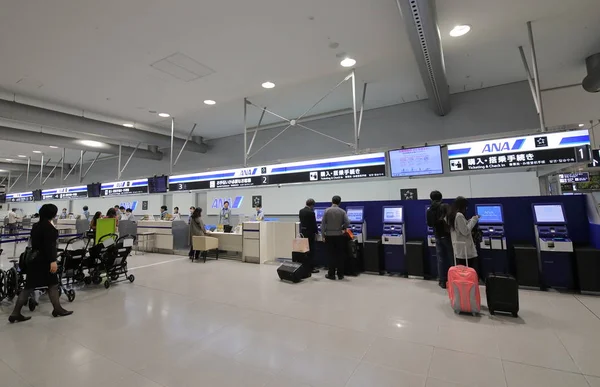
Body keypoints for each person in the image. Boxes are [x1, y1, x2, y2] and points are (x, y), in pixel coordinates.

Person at [8, 204, 73, 323]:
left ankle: (15, 312)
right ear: (52, 214)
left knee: (28, 287)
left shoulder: (36, 226)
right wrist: (53, 261)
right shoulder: (49, 228)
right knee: (53, 284)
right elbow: (50, 247)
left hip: (34, 260)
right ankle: (57, 309)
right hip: (45, 261)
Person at [426, 191, 454, 289]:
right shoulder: (445, 206)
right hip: (447, 235)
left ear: (431, 199)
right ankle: (454, 280)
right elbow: (451, 219)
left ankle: (442, 281)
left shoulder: (429, 210)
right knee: (452, 258)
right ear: (441, 198)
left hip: (437, 235)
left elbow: (429, 224)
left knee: (441, 259)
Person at [448, 196, 480, 274]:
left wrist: (468, 221)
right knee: (467, 271)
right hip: (464, 249)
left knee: (461, 271)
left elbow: (460, 227)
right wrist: (474, 220)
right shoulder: (459, 215)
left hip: (459, 248)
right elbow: (465, 231)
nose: (466, 208)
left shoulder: (452, 214)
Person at [321, 195, 350, 280]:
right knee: (340, 255)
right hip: (339, 236)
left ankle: (331, 274)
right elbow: (348, 222)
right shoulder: (342, 211)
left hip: (329, 236)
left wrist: (323, 235)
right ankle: (340, 274)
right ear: (339, 202)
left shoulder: (327, 211)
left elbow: (322, 225)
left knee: (331, 255)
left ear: (332, 201)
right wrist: (343, 227)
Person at [299, 198, 319, 274]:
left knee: (305, 251)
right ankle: (311, 268)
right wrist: (317, 232)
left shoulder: (301, 211)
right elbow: (314, 224)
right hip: (310, 234)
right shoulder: (311, 212)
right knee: (311, 251)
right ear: (312, 205)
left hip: (303, 233)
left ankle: (305, 266)